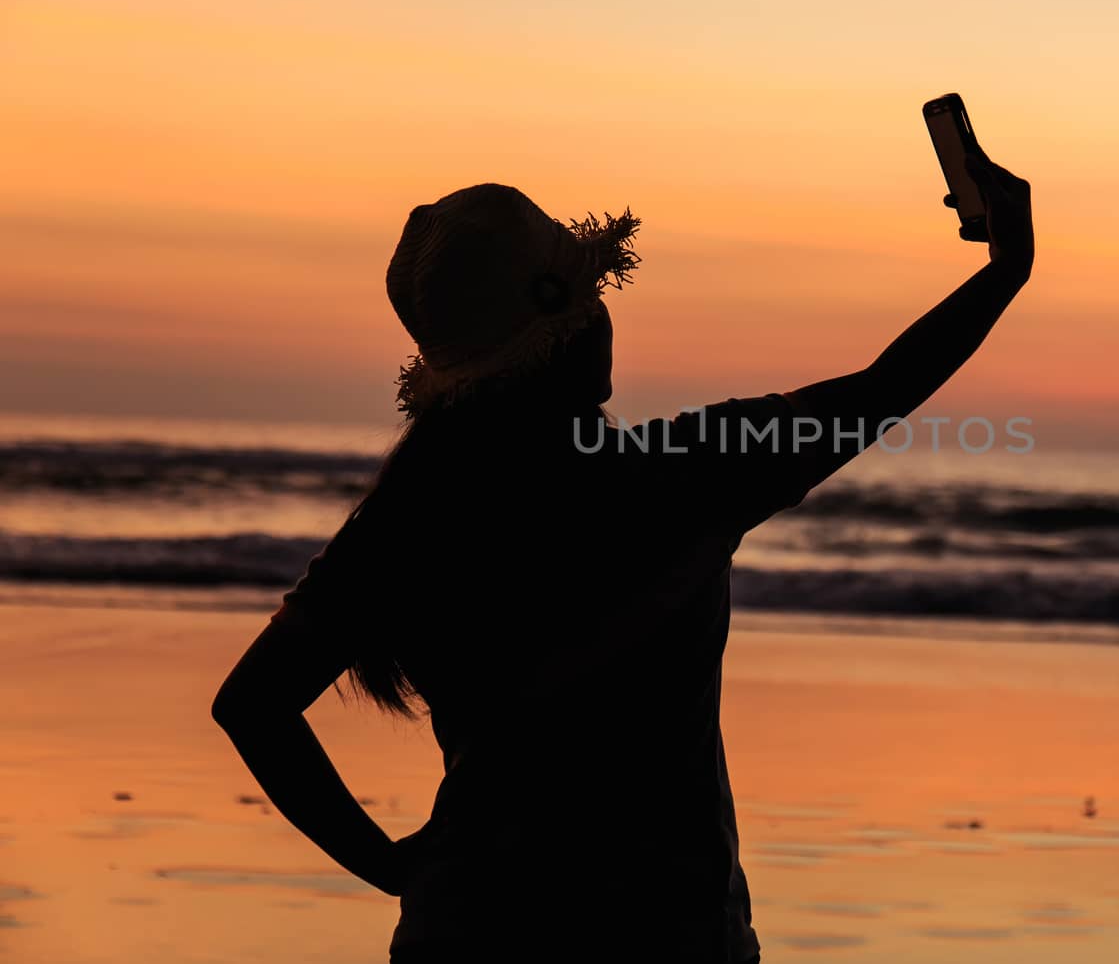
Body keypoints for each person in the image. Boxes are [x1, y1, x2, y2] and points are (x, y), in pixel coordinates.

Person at [211, 145, 1033, 963]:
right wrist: (1003, 269)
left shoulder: (411, 512)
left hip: (469, 926)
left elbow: (252, 704)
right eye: (592, 295)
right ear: (571, 332)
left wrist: (390, 863)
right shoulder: (685, 474)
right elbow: (881, 388)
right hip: (666, 933)